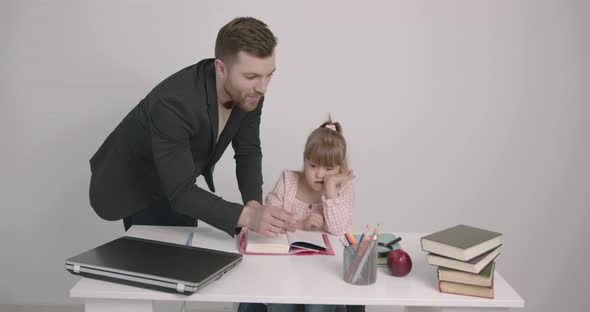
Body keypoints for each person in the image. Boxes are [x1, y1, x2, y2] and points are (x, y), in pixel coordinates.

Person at [88, 16, 296, 240]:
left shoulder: (250, 93)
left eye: (269, 75)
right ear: (221, 68)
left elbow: (248, 151)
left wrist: (254, 204)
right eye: (251, 76)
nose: (263, 87)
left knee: (189, 253)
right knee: (162, 265)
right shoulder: (173, 104)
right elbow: (181, 193)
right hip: (136, 186)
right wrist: (248, 218)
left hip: (180, 180)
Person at [264, 118, 355, 312]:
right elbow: (269, 219)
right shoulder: (288, 181)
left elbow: (338, 229)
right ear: (304, 160)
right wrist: (300, 224)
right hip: (286, 267)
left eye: (328, 169)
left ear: (340, 168)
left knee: (318, 304)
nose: (319, 174)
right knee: (281, 303)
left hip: (324, 271)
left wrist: (330, 188)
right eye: (312, 166)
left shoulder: (342, 189)